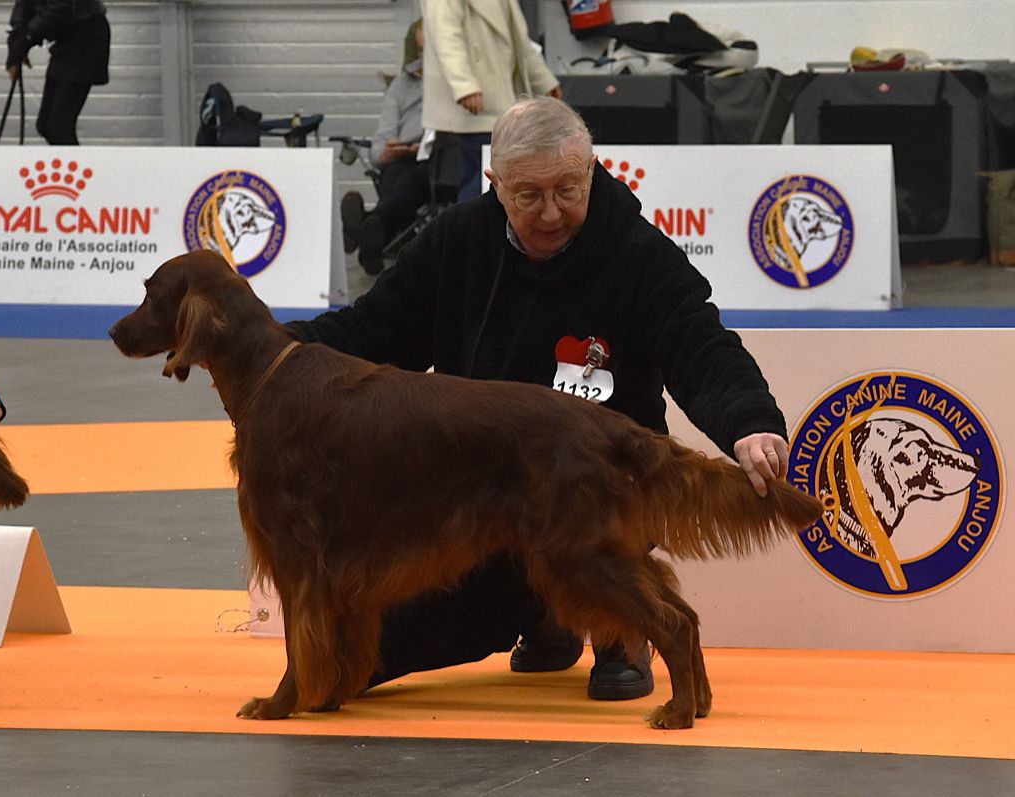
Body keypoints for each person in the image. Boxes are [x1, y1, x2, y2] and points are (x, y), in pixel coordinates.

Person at [286, 96, 791, 701]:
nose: (551, 213)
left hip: (597, 502)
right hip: (478, 504)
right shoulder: (456, 242)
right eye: (528, 195)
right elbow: (373, 329)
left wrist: (749, 421)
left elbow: (701, 344)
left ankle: (621, 629)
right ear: (495, 184)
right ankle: (546, 617)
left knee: (587, 550)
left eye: (567, 190)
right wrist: (268, 346)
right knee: (362, 655)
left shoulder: (638, 253)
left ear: (593, 171)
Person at [421, 0, 563, 201]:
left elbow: (519, 41)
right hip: (473, 106)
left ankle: (473, 220)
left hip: (496, 101)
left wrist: (542, 80)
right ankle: (468, 222)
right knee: (487, 178)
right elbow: (446, 37)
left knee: (490, 176)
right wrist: (465, 86)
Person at [341, 19, 430, 276]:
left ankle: (365, 230)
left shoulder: (455, 85)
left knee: (412, 181)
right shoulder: (400, 87)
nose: (425, 58)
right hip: (400, 157)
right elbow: (379, 142)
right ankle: (372, 233)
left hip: (436, 159)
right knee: (392, 175)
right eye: (420, 51)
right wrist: (384, 152)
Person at [5, 0, 111, 144]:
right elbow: (24, 4)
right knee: (45, 125)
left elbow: (60, 8)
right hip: (66, 36)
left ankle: (73, 158)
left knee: (58, 128)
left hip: (85, 37)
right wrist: (17, 41)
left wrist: (26, 38)